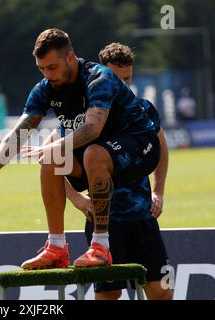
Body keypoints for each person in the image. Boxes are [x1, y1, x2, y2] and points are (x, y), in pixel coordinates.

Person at [0, 29, 160, 270]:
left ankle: (101, 247)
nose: (48, 75)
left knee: (88, 152)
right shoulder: (45, 88)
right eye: (42, 69)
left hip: (140, 146)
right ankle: (56, 246)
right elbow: (20, 131)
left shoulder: (99, 78)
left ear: (70, 58)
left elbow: (93, 129)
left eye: (52, 67)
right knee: (52, 156)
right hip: (102, 153)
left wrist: (53, 146)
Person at [63, 42, 172, 300]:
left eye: (128, 79)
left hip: (143, 218)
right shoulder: (85, 115)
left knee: (163, 293)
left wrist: (158, 191)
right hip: (106, 224)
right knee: (109, 296)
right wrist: (77, 199)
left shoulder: (142, 109)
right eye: (116, 79)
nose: (123, 86)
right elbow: (53, 156)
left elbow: (161, 147)